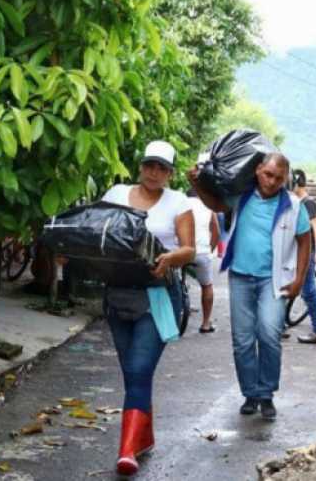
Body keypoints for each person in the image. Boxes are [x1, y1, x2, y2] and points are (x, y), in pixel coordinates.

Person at [188, 153, 311, 421]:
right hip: (240, 276)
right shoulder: (241, 196)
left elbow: (305, 240)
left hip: (273, 279)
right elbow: (217, 205)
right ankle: (250, 394)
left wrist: (299, 279)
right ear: (257, 170)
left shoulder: (293, 204)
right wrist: (196, 184)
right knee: (242, 340)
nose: (272, 182)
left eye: (279, 178)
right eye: (268, 174)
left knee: (268, 334)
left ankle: (266, 394)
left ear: (285, 179)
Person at [101, 140, 195, 476]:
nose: (154, 173)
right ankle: (145, 436)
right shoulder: (116, 194)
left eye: (162, 168)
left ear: (170, 173)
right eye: (149, 165)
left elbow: (189, 250)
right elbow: (99, 231)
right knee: (131, 371)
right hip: (117, 294)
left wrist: (170, 257)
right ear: (140, 166)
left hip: (157, 296)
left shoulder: (178, 202)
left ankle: (127, 450)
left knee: (140, 369)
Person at [290, 169, 316, 344]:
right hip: (297, 251)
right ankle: (279, 325)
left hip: (308, 251)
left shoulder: (308, 203)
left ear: (296, 183)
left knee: (308, 291)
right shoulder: (297, 202)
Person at [186, 188, 220, 333]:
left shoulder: (181, 204)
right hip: (201, 252)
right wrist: (209, 249)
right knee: (206, 286)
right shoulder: (208, 207)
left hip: (180, 251)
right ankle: (206, 323)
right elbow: (216, 232)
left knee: (170, 282)